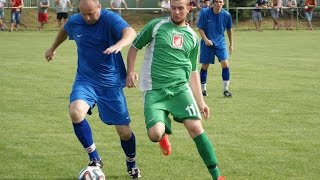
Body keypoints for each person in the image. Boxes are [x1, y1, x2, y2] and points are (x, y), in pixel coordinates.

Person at [126, 0, 225, 179]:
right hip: (154, 90)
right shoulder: (156, 26)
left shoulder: (193, 38)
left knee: (196, 127)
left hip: (180, 90)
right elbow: (134, 47)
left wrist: (201, 101)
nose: (177, 12)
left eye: (181, 8)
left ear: (189, 8)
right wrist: (131, 71)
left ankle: (217, 175)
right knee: (155, 134)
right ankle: (163, 132)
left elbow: (193, 71)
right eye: (173, 8)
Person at [44, 0, 141, 178]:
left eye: (91, 13)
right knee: (75, 112)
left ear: (99, 8)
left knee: (124, 132)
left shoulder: (110, 18)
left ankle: (131, 163)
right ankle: (95, 158)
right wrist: (52, 48)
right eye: (84, 14)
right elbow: (65, 31)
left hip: (110, 83)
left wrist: (120, 44)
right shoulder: (75, 21)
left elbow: (130, 32)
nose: (88, 18)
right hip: (86, 80)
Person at [197, 0, 233, 97]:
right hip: (207, 43)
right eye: (216, 1)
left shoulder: (227, 15)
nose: (218, 4)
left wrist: (231, 44)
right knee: (205, 66)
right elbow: (200, 28)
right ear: (213, 3)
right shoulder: (205, 13)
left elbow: (229, 29)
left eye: (220, 2)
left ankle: (226, 90)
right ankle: (203, 90)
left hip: (220, 42)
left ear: (223, 3)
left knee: (225, 64)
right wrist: (205, 40)